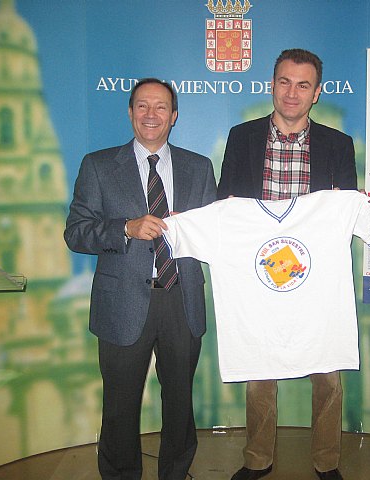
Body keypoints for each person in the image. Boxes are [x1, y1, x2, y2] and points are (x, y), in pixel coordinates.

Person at [64, 78, 217, 480]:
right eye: (142, 107)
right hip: (122, 304)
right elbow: (76, 232)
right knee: (119, 404)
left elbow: (213, 234)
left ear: (175, 116)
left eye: (161, 107)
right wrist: (125, 228)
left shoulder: (198, 167)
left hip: (181, 300)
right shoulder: (98, 166)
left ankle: (176, 472)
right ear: (130, 113)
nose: (151, 115)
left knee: (180, 401)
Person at [217, 48, 356, 480]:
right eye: (284, 82)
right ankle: (257, 460)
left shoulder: (338, 144)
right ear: (271, 84)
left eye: (302, 85)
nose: (291, 93)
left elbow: (346, 213)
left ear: (317, 93)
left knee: (327, 376)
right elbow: (225, 207)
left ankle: (326, 462)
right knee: (260, 373)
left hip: (315, 277)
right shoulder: (242, 138)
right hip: (257, 276)